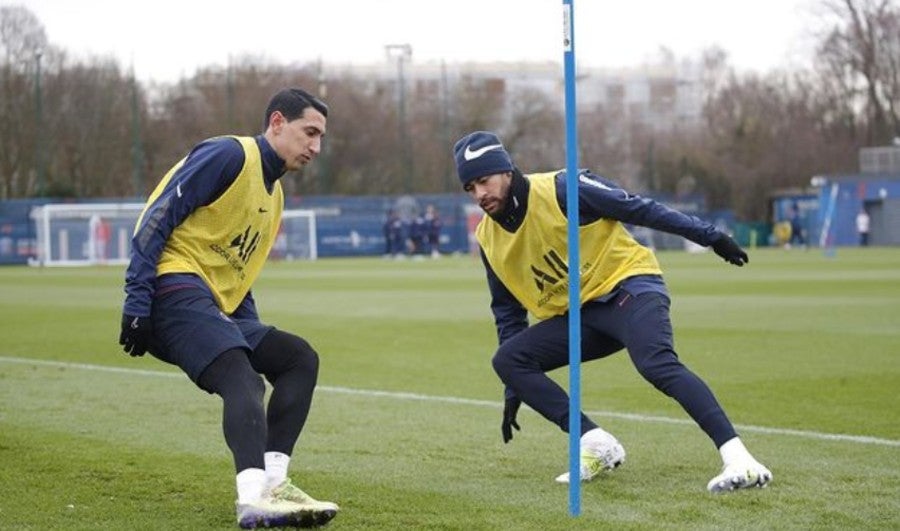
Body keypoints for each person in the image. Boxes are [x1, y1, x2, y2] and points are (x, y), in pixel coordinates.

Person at [452, 131, 772, 493]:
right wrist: (514, 389)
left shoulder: (562, 188)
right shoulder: (488, 239)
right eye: (469, 188)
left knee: (655, 363)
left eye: (484, 181)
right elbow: (507, 312)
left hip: (629, 288)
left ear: (506, 171)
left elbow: (639, 208)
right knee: (509, 359)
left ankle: (740, 459)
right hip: (582, 315)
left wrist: (710, 236)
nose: (479, 194)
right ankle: (596, 443)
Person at [119, 88, 339, 529]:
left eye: (321, 137)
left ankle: (274, 487)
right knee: (242, 377)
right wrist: (137, 299)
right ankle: (253, 499)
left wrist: (246, 329)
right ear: (277, 122)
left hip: (214, 304)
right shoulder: (229, 155)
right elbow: (157, 216)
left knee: (298, 358)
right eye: (309, 132)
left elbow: (238, 275)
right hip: (172, 288)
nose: (316, 147)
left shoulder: (274, 198)